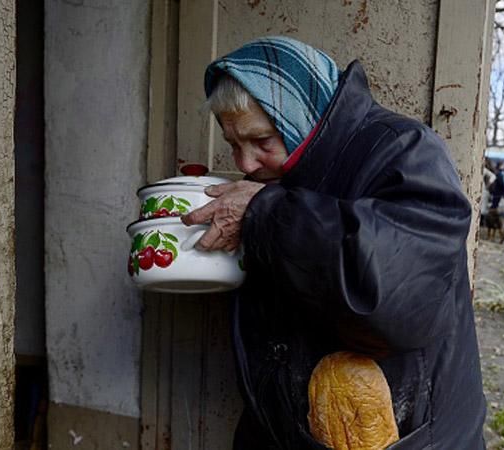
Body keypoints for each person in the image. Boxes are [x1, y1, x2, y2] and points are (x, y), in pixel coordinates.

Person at [181, 36, 485, 449]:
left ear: (300, 117)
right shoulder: (276, 180)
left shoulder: (404, 150)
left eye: (262, 142)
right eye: (234, 145)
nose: (245, 164)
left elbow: (394, 294)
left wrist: (267, 214)